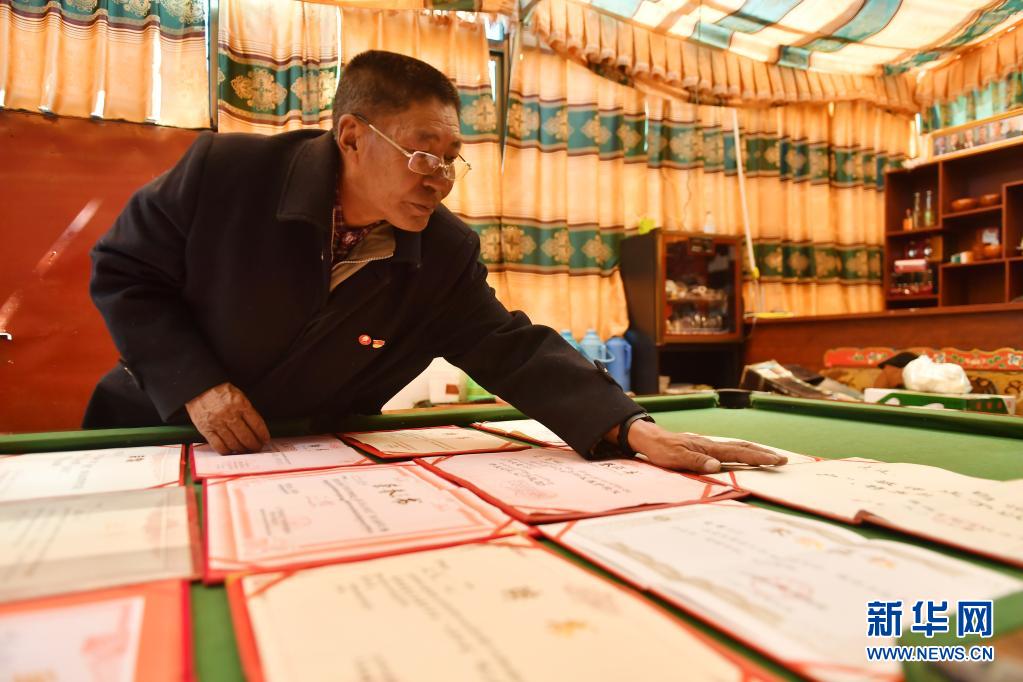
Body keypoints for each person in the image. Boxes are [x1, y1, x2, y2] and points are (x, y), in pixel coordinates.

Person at [84, 50, 783, 474]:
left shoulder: (443, 250)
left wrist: (628, 426)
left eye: (451, 159)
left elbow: (508, 346)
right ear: (351, 136)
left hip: (300, 458)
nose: (440, 179)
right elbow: (123, 271)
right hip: (154, 428)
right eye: (423, 153)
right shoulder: (229, 172)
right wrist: (197, 384)